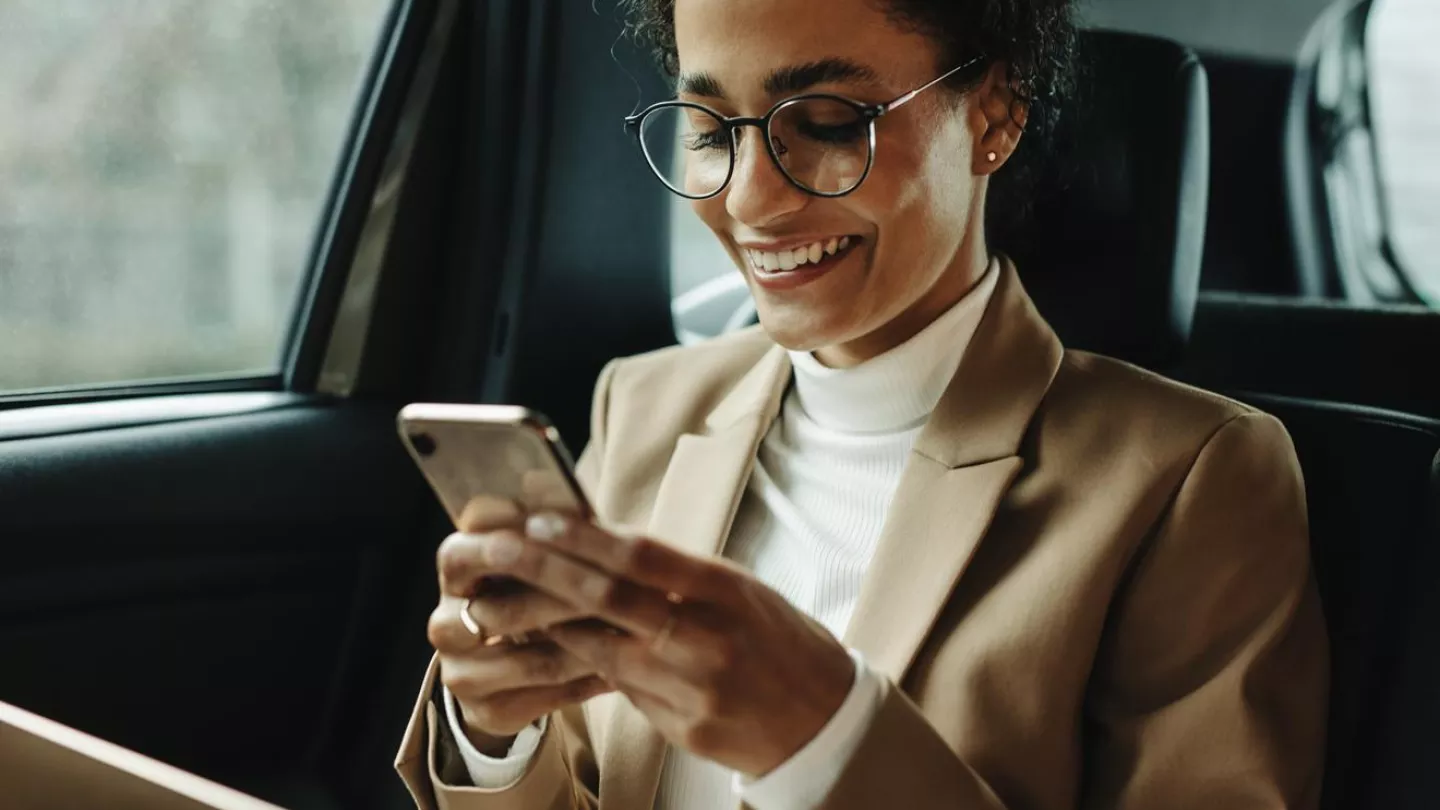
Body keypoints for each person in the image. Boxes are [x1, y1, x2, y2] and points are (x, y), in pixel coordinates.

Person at [394, 0, 1330, 807]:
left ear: (995, 114)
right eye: (713, 131)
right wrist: (493, 734)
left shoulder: (1196, 478)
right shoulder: (640, 406)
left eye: (834, 122)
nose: (753, 201)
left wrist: (825, 738)